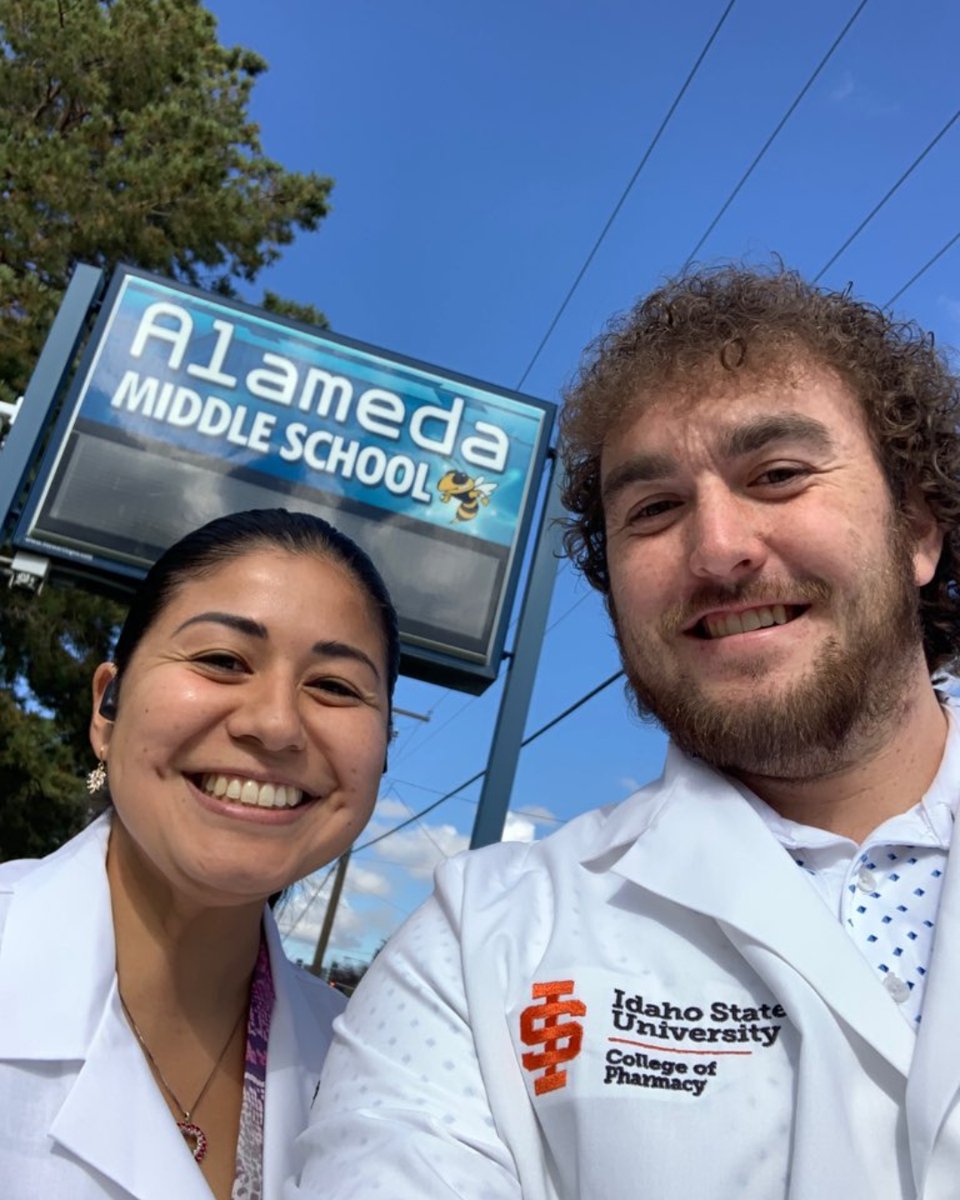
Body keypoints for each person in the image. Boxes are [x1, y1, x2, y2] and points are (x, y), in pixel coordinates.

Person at [292, 266, 960, 1199]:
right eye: (653, 510)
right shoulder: (479, 946)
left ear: (920, 530)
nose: (719, 548)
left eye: (778, 475)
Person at [0, 508, 399, 1200]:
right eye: (221, 660)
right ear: (107, 709)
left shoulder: (379, 1071)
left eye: (334, 686)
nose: (275, 725)